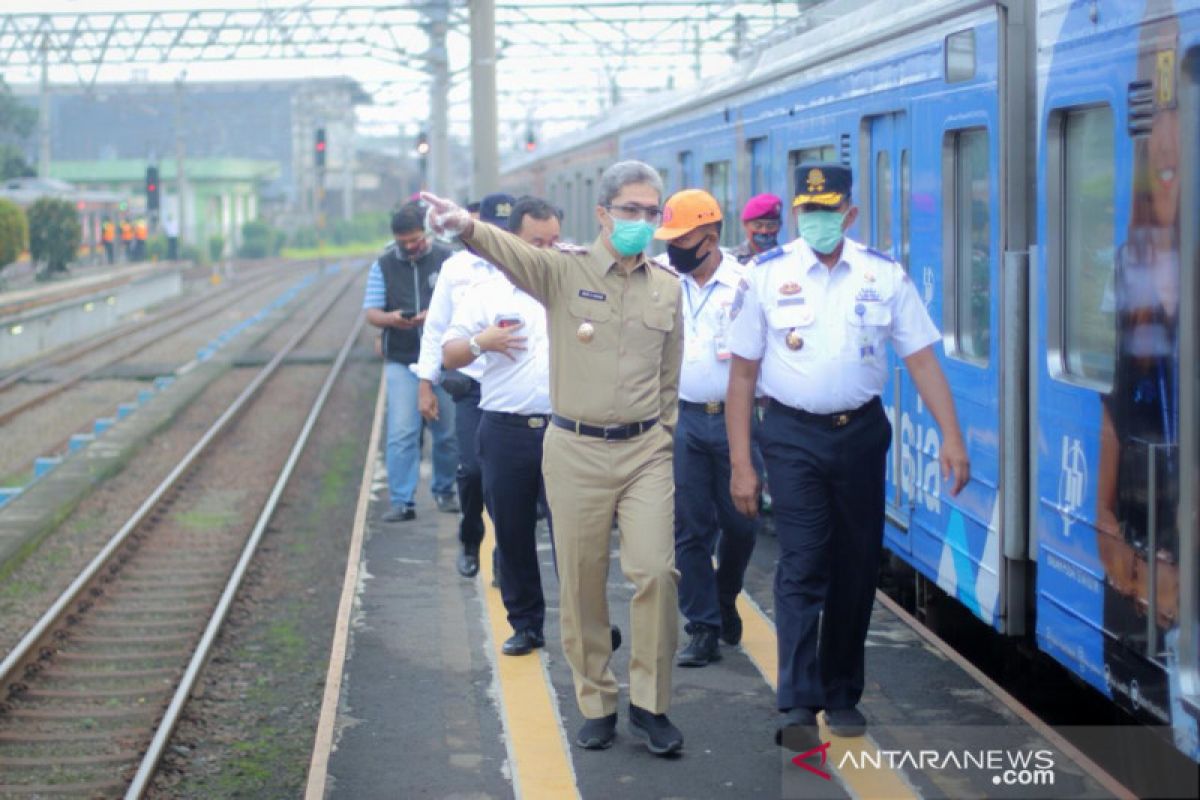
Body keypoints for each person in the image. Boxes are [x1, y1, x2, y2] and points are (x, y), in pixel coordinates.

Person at [423, 159, 686, 757]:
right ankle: (597, 699)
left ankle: (651, 703)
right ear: (603, 214)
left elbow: (670, 378)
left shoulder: (667, 286)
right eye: (631, 211)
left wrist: (661, 438)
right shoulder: (562, 272)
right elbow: (508, 252)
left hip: (645, 451)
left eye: (652, 213)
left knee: (654, 574)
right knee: (583, 582)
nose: (642, 222)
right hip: (575, 451)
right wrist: (464, 223)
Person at [725, 163, 969, 749]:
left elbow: (922, 360)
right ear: (796, 213)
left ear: (850, 214)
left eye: (829, 211)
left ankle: (841, 692)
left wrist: (952, 436)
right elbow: (741, 375)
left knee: (856, 567)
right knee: (804, 561)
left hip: (861, 434)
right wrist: (742, 463)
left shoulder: (882, 275)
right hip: (791, 435)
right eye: (808, 211)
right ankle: (798, 701)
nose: (818, 221)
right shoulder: (764, 275)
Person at [441, 196, 561, 656]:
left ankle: (583, 628)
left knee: (572, 536)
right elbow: (450, 353)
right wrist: (480, 342)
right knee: (512, 533)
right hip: (505, 428)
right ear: (512, 240)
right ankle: (526, 623)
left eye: (554, 241)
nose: (547, 251)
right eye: (537, 242)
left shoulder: (570, 285)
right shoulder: (485, 293)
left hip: (564, 430)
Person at [652, 189, 759, 667]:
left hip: (737, 419)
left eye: (682, 238)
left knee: (741, 521)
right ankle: (702, 626)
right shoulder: (660, 277)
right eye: (669, 237)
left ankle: (725, 592)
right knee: (690, 527)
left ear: (710, 238)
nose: (673, 246)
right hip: (684, 418)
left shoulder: (746, 283)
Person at [416, 193, 515, 576]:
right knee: (472, 471)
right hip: (473, 387)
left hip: (516, 389)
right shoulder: (457, 269)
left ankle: (503, 555)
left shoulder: (529, 267)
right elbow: (436, 329)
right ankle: (470, 537)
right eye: (493, 228)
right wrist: (427, 383)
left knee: (507, 480)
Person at [363, 202, 459, 523]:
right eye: (403, 242)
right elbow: (371, 311)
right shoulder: (384, 264)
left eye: (415, 240)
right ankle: (402, 500)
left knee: (447, 431)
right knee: (402, 431)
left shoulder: (449, 259)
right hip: (402, 358)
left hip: (445, 359)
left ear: (428, 233)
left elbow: (467, 304)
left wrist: (437, 318)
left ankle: (445, 489)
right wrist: (391, 318)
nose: (409, 247)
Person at [730, 193, 783, 265]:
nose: (764, 231)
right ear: (745, 225)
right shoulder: (732, 260)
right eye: (758, 225)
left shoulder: (787, 259)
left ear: (779, 227)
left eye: (770, 226)